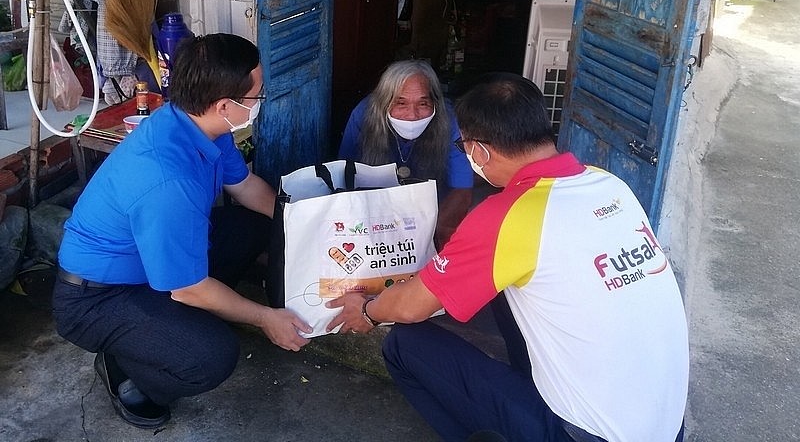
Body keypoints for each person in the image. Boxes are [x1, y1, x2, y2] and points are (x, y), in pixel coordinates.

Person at [327, 73, 689, 442]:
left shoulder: (507, 214)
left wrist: (368, 311)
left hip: (583, 435)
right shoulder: (611, 184)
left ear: (480, 151)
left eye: (463, 145)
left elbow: (409, 308)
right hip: (666, 424)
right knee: (507, 288)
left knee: (404, 345)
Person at [53, 33, 312, 429]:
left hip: (147, 265)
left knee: (257, 224)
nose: (260, 102)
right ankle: (124, 363)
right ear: (225, 104)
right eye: (257, 96)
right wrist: (266, 318)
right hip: (95, 299)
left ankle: (166, 325)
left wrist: (310, 223)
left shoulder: (201, 125)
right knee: (211, 356)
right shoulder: (168, 178)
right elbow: (187, 288)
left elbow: (245, 188)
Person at [338, 60, 472, 248]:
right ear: (384, 102)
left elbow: (462, 188)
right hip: (374, 214)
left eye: (423, 103)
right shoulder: (364, 114)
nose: (412, 115)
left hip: (432, 213)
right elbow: (345, 175)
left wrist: (433, 235)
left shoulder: (449, 120)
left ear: (435, 102)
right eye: (400, 103)